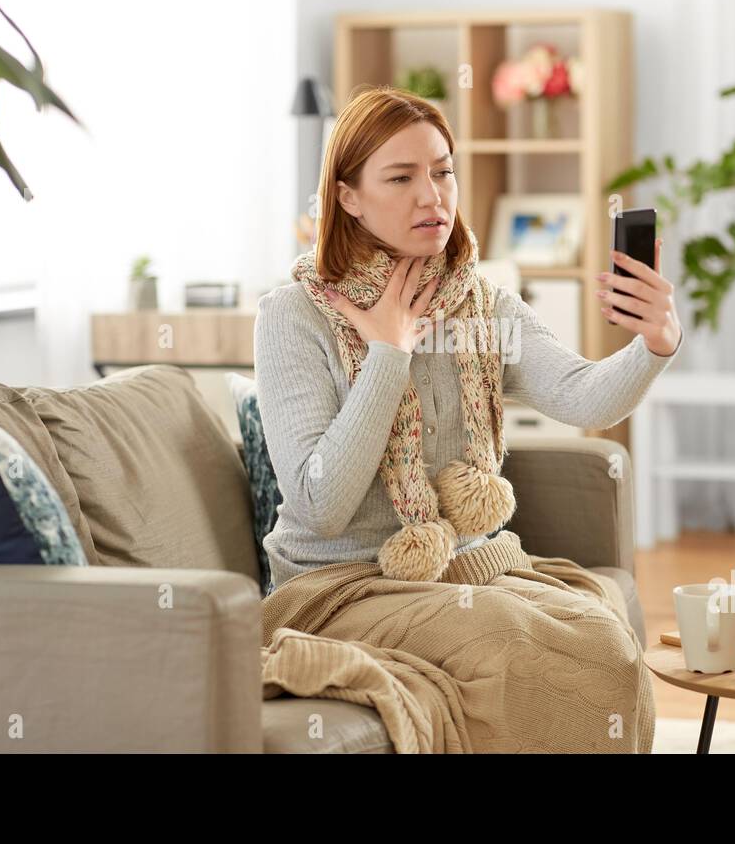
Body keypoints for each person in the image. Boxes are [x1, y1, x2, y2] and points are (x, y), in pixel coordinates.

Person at [254, 86, 683, 594]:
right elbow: (320, 508)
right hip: (339, 586)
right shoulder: (294, 315)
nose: (431, 196)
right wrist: (389, 355)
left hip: (465, 570)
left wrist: (657, 341)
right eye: (400, 178)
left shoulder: (481, 301)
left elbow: (584, 397)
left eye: (443, 171)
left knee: (596, 635)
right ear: (349, 197)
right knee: (528, 644)